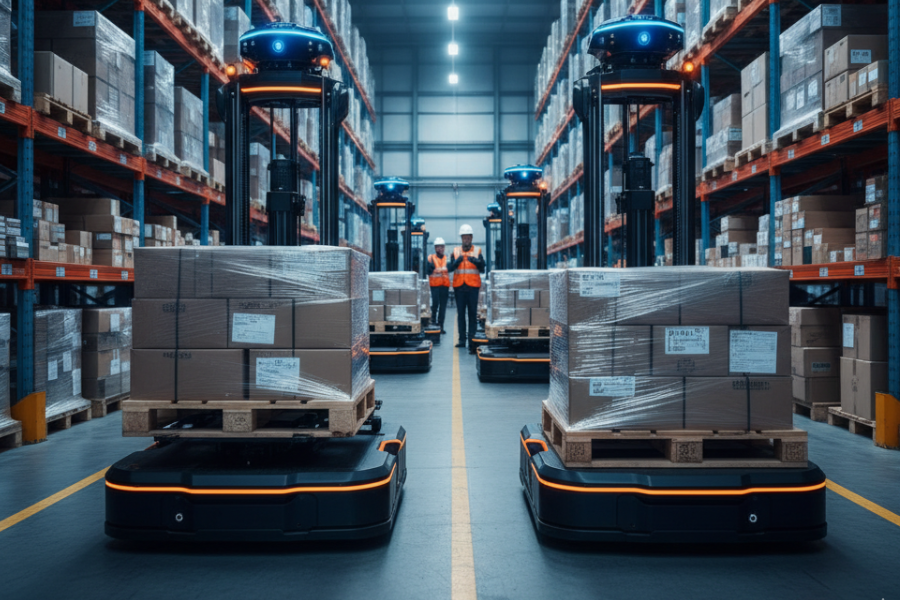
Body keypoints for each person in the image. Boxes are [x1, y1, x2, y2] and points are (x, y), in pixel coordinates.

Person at [447, 224, 485, 351]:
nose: (466, 240)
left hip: (472, 288)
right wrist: (456, 262)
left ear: (471, 238)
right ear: (461, 238)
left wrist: (476, 261)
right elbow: (450, 267)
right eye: (464, 238)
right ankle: (462, 340)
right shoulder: (456, 251)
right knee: (461, 315)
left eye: (468, 238)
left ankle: (472, 340)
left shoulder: (477, 251)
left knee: (472, 315)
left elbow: (482, 268)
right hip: (459, 288)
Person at [426, 238, 450, 333]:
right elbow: (427, 271)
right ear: (435, 248)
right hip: (435, 285)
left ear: (444, 248)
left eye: (442, 247)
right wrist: (430, 268)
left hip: (445, 285)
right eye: (438, 247)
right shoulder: (430, 258)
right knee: (435, 304)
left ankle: (441, 326)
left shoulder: (446, 258)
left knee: (443, 307)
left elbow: (450, 269)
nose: (440, 248)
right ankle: (433, 323)